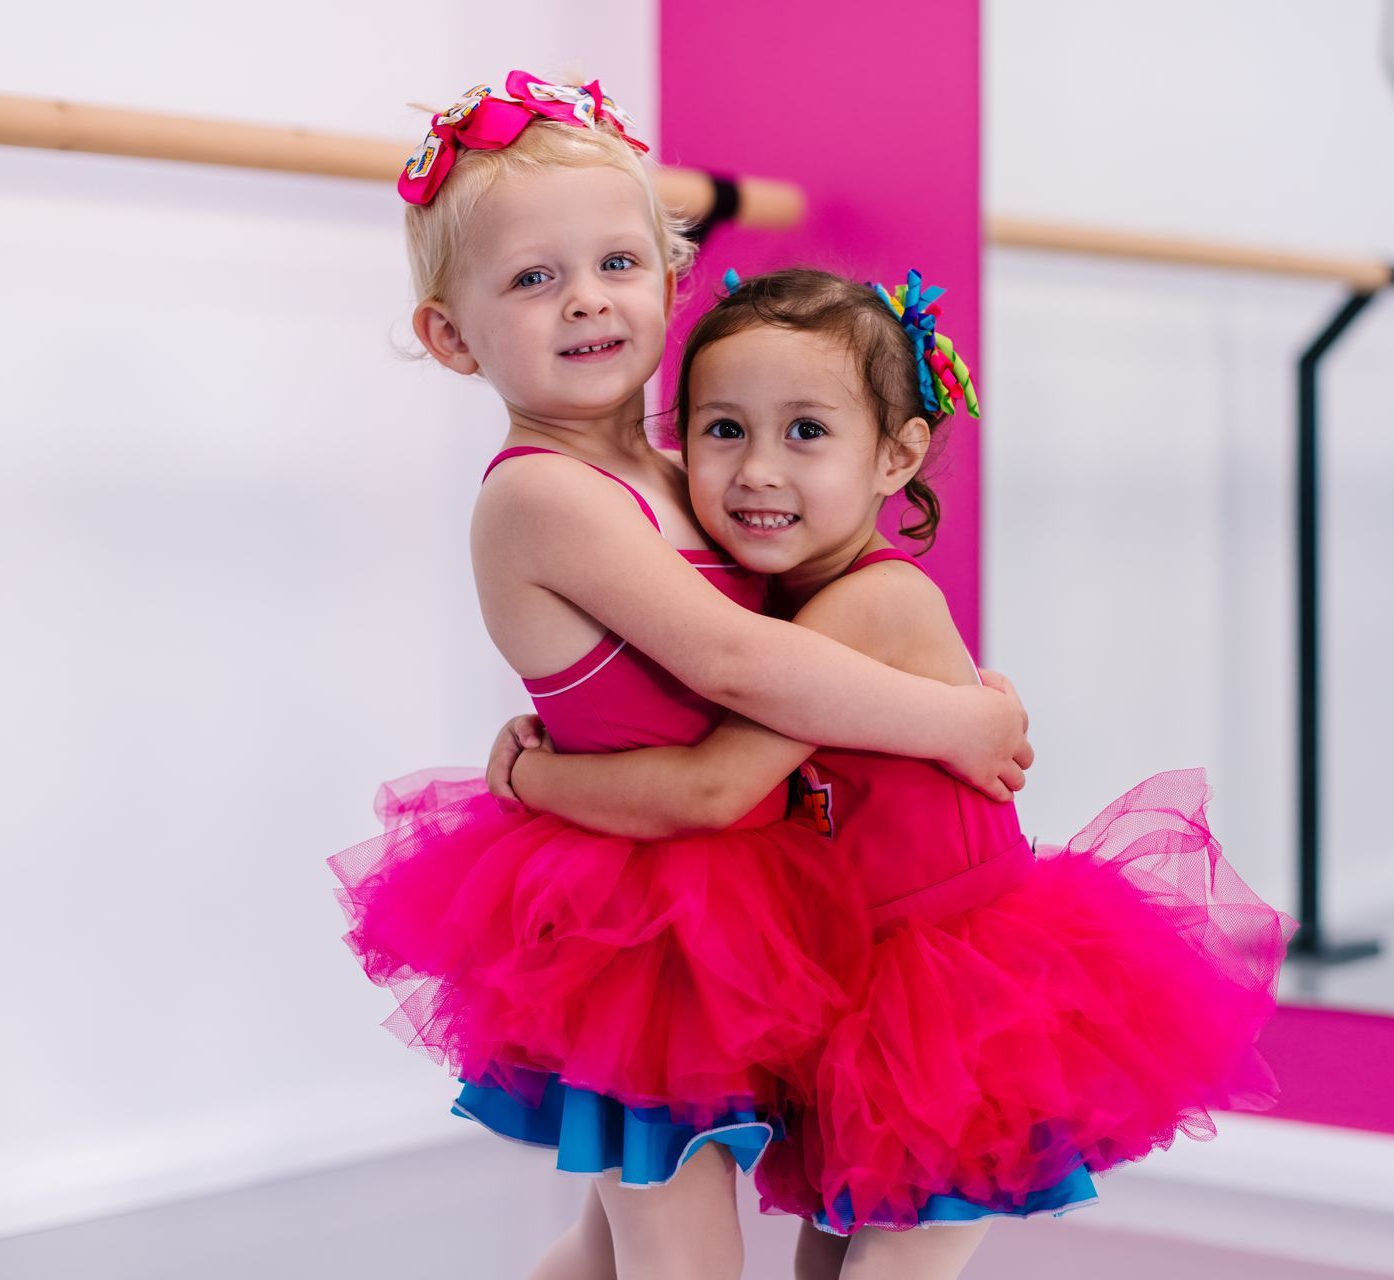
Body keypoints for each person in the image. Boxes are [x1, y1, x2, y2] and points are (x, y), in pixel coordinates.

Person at [328, 78, 1032, 1280]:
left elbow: (821, 596)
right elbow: (738, 658)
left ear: (672, 278)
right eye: (532, 279)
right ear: (453, 335)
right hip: (646, 919)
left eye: (617, 261)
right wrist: (962, 719)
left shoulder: (685, 462)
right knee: (678, 1249)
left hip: (746, 902)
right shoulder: (542, 491)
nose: (588, 297)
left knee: (615, 1241)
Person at [492, 266, 1294, 1280]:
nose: (757, 471)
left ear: (898, 454)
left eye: (807, 432)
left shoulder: (870, 605)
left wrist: (533, 782)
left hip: (959, 1009)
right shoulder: (763, 605)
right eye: (723, 429)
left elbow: (713, 785)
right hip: (867, 997)